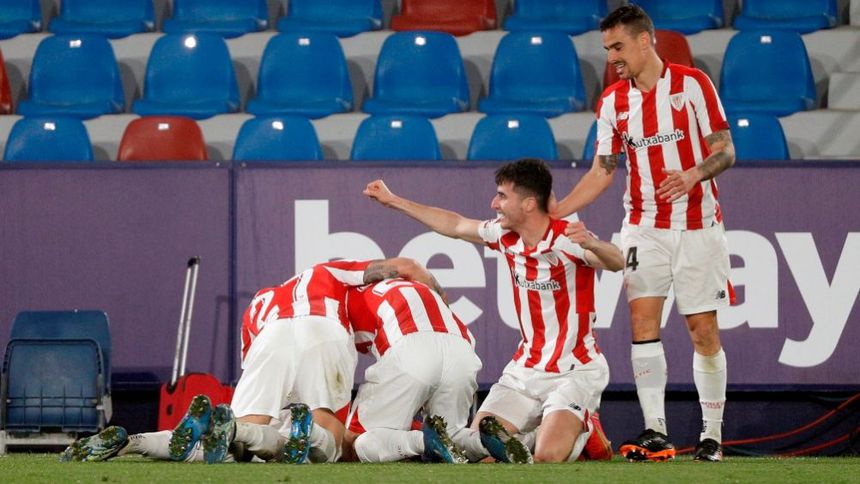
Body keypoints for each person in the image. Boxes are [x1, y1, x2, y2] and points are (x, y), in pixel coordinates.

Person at [552, 5, 735, 463]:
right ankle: (657, 431)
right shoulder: (612, 102)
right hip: (643, 226)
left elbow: (725, 150)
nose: (611, 57)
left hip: (697, 225)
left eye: (617, 46)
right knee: (642, 323)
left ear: (644, 41)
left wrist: (693, 175)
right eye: (607, 48)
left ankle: (712, 435)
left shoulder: (693, 85)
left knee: (702, 330)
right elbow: (603, 170)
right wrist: (558, 210)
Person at [364, 158, 624, 463]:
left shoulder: (566, 239)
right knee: (482, 451)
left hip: (574, 371)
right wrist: (394, 201)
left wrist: (594, 244)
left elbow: (617, 261)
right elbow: (456, 225)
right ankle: (540, 432)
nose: (494, 203)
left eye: (502, 196)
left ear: (528, 204)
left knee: (547, 457)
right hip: (525, 370)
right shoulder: (504, 235)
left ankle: (586, 430)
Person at [61, 258, 443, 464]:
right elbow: (406, 267)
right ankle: (300, 432)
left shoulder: (260, 302)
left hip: (270, 337)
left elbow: (256, 361)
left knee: (244, 436)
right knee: (329, 442)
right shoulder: (326, 272)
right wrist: (438, 299)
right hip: (323, 328)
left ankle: (135, 442)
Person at [342, 277, 485, 464]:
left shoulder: (341, 302)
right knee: (451, 435)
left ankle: (424, 441)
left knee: (356, 440)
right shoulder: (409, 284)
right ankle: (483, 442)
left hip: (411, 346)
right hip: (462, 350)